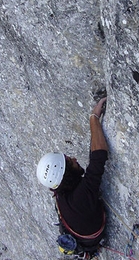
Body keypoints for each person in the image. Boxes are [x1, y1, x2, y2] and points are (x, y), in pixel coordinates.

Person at [36, 97, 108, 252]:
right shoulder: (79, 197)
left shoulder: (60, 191)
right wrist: (94, 118)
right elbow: (99, 157)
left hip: (80, 231)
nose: (75, 159)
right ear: (66, 173)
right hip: (92, 238)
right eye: (70, 161)